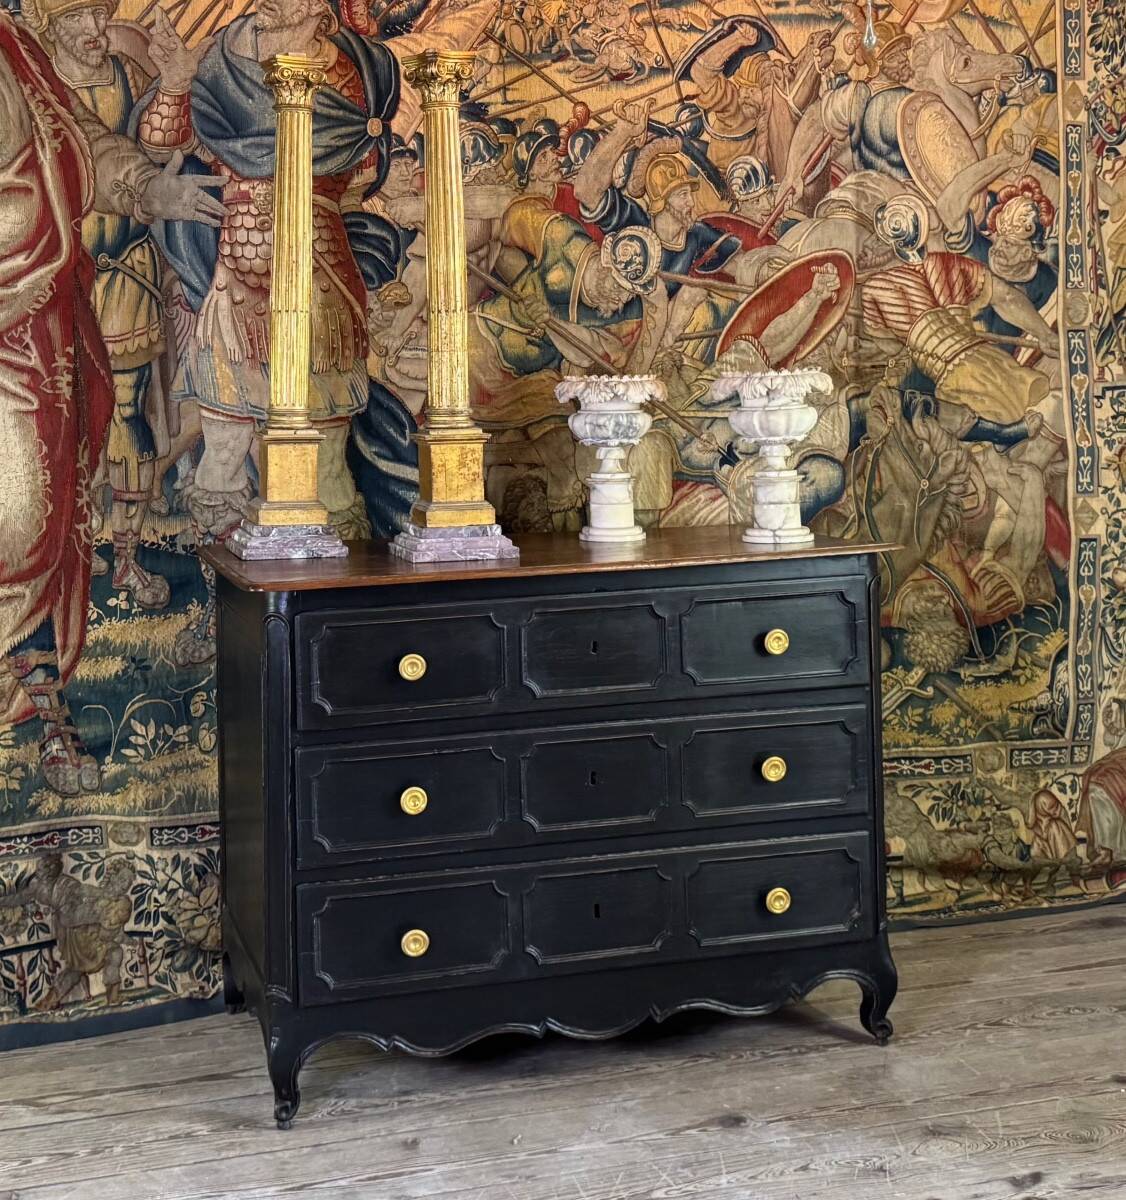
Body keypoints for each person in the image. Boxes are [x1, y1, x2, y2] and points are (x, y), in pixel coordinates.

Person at [0, 4, 225, 796]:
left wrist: (141, 188)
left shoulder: (18, 51)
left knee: (46, 515)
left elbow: (75, 145)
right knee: (18, 521)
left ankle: (40, 699)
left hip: (39, 331)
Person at [35, 0, 172, 608]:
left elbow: (158, 143)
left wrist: (177, 85)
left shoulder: (128, 76)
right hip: (56, 280)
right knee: (65, 417)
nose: (94, 31)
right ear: (48, 26)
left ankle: (126, 558)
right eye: (76, 19)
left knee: (126, 411)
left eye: (99, 14)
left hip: (125, 276)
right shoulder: (34, 88)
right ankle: (62, 559)